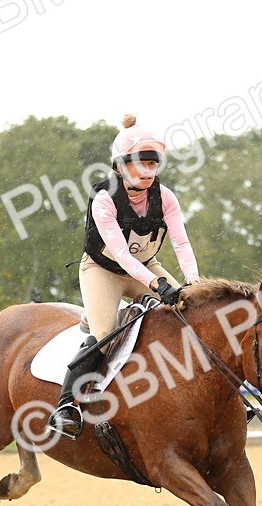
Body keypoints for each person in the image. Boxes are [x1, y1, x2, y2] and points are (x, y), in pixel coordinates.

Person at [48, 114, 201, 439]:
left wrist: (193, 282)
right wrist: (156, 285)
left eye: (152, 163)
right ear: (120, 164)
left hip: (148, 267)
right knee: (105, 334)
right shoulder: (104, 199)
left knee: (195, 314)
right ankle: (67, 405)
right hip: (103, 272)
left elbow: (181, 242)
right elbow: (119, 254)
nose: (147, 171)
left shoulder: (167, 197)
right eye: (139, 163)